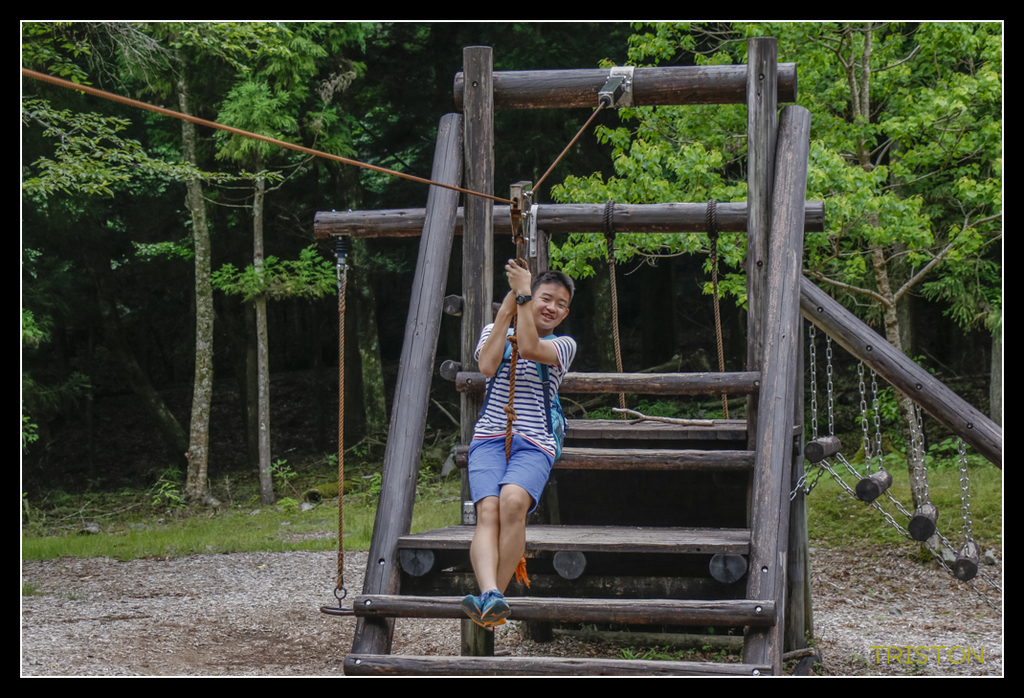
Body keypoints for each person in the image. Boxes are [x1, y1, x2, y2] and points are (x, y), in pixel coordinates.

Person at [462, 259, 576, 630]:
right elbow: (488, 366)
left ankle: (492, 598)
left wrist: (524, 295)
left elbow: (528, 348)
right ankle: (491, 595)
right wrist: (510, 306)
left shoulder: (563, 345)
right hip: (490, 437)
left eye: (560, 303)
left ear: (566, 312)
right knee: (489, 510)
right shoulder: (492, 331)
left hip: (535, 442)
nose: (551, 307)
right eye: (546, 298)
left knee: (513, 502)